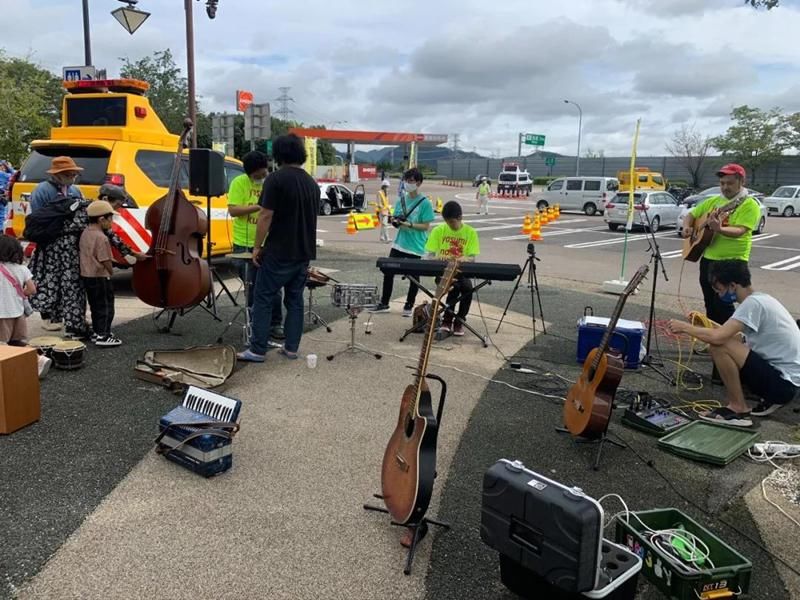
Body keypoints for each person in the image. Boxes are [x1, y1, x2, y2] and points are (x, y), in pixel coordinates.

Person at [668, 260, 800, 427]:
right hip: (787, 383)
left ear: (732, 286)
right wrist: (702, 325)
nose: (718, 295)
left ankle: (738, 408)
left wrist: (686, 328)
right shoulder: (761, 300)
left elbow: (720, 339)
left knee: (717, 346)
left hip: (782, 384)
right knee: (719, 343)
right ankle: (744, 402)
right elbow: (735, 338)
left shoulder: (753, 305)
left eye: (719, 290)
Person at [237, 134, 318, 363]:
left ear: (279, 155)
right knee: (295, 301)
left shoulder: (276, 179)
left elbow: (265, 215)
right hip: (303, 251)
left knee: (263, 297)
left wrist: (256, 247)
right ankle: (291, 348)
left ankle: (257, 349)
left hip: (279, 250)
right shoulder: (311, 183)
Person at [681, 164, 760, 327]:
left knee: (724, 304)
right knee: (710, 301)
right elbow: (691, 215)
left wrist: (720, 229)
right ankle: (713, 338)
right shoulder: (713, 201)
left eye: (729, 183)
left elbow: (740, 230)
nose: (725, 187)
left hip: (732, 262)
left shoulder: (749, 204)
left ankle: (730, 340)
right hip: (709, 259)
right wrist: (687, 227)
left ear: (741, 181)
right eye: (722, 183)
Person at [28, 157, 89, 337]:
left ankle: (68, 316)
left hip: (70, 247)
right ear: (58, 174)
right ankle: (49, 316)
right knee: (49, 281)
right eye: (70, 174)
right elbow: (38, 218)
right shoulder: (42, 191)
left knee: (69, 282)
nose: (73, 177)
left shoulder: (75, 190)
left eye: (74, 174)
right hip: (50, 243)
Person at [227, 151, 284, 339]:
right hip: (244, 244)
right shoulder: (239, 183)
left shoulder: (271, 181)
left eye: (264, 172)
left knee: (274, 287)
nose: (263, 176)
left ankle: (275, 324)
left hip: (270, 243)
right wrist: (259, 206)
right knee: (252, 287)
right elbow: (233, 210)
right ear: (250, 173)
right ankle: (253, 324)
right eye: (259, 175)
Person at [372, 168, 436, 316]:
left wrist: (409, 224)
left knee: (414, 277)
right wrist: (395, 221)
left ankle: (409, 305)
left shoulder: (425, 203)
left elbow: (426, 226)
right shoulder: (401, 199)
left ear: (419, 183)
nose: (408, 183)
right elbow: (395, 218)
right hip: (399, 242)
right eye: (406, 180)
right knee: (388, 271)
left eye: (411, 181)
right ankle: (384, 303)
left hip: (416, 245)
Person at [424, 201, 480, 336]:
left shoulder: (470, 232)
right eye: (447, 222)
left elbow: (472, 257)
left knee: (467, 288)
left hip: (462, 272)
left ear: (460, 217)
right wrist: (438, 258)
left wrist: (463, 259)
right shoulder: (438, 230)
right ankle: (447, 320)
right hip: (442, 272)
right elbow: (429, 255)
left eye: (452, 222)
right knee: (453, 287)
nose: (450, 225)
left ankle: (460, 320)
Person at [79, 201, 121, 347]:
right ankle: (104, 335)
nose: (112, 222)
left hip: (87, 275)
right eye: (111, 219)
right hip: (100, 276)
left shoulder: (85, 232)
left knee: (95, 306)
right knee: (106, 306)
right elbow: (105, 259)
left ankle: (97, 332)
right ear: (101, 219)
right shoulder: (101, 237)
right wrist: (111, 271)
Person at [96, 184, 148, 264]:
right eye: (117, 204)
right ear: (105, 199)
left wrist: (135, 254)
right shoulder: (95, 215)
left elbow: (114, 238)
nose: (118, 208)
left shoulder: (101, 214)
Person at [0, 234, 35, 345]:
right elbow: (32, 289)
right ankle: (38, 360)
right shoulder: (22, 269)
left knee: (3, 345)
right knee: (18, 343)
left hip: (2, 314)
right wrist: (20, 293)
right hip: (19, 312)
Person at [0, 161, 15, 232]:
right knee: (2, 215)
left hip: (2, 196)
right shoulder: (3, 174)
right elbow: (15, 174)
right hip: (2, 198)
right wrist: (7, 166)